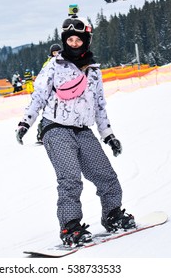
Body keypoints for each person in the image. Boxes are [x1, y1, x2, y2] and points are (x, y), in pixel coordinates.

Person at [15, 13, 135, 246]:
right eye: (69, 40)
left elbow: (99, 106)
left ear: (85, 41)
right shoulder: (54, 66)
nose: (73, 44)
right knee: (70, 178)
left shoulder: (94, 71)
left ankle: (112, 215)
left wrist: (109, 136)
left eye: (78, 40)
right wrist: (25, 123)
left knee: (106, 175)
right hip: (56, 128)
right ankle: (70, 226)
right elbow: (38, 96)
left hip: (83, 129)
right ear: (64, 41)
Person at [36, 44, 63, 143]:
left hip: (61, 92)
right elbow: (43, 78)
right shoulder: (48, 64)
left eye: (58, 52)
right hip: (50, 92)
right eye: (54, 53)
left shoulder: (64, 61)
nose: (56, 54)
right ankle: (41, 132)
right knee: (49, 112)